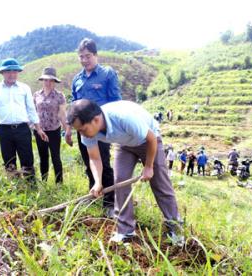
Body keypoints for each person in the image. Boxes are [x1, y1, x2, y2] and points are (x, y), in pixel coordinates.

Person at [67, 99, 183, 244]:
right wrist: (97, 182)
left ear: (96, 120)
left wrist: (148, 167)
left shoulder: (124, 118)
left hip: (149, 141)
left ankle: (176, 229)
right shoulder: (87, 132)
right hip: (125, 144)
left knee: (160, 184)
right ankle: (126, 231)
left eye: (82, 129)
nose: (81, 134)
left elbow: (151, 139)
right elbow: (95, 159)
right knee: (120, 181)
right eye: (78, 130)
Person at [65, 38, 122, 217]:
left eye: (87, 56)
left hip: (101, 128)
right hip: (83, 130)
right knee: (90, 163)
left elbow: (115, 101)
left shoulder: (107, 74)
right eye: (81, 57)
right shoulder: (77, 79)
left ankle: (109, 203)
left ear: (95, 55)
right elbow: (73, 106)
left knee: (103, 164)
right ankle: (94, 194)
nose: (84, 60)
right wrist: (68, 128)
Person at [0, 58, 48, 182]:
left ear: (18, 72)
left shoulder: (24, 88)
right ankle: (15, 187)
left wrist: (38, 128)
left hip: (22, 129)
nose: (12, 74)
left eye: (14, 71)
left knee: (27, 159)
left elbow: (31, 109)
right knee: (9, 161)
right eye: (8, 71)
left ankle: (31, 187)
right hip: (5, 130)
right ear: (3, 73)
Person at [33, 67, 67, 183]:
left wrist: (67, 130)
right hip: (39, 131)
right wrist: (34, 128)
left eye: (51, 80)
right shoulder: (36, 95)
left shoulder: (60, 96)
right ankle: (44, 181)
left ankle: (59, 183)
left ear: (54, 82)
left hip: (54, 131)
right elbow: (32, 112)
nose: (48, 83)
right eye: (46, 80)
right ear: (42, 81)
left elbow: (62, 114)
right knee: (43, 157)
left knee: (55, 157)